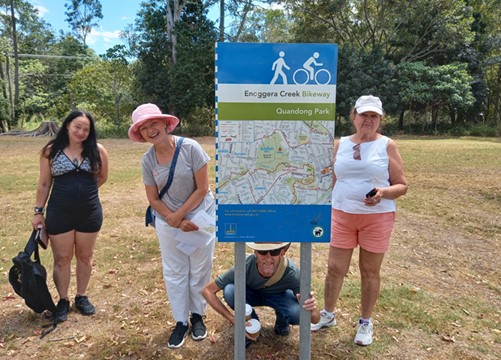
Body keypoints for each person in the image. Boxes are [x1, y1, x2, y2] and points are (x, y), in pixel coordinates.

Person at [311, 95, 408, 346]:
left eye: (374, 116)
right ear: (353, 116)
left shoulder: (387, 145)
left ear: (380, 120)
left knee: (369, 271)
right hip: (342, 214)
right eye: (364, 115)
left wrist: (383, 193)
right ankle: (328, 314)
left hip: (377, 217)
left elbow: (402, 185)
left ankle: (365, 322)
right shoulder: (340, 143)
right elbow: (333, 178)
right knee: (335, 269)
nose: (368, 120)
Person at [128, 103, 215, 349]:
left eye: (153, 123)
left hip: (201, 216)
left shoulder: (191, 148)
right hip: (168, 220)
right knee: (175, 271)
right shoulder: (148, 161)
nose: (150, 130)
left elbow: (203, 188)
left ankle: (197, 316)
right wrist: (174, 218)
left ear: (165, 124)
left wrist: (182, 216)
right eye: (144, 128)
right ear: (141, 135)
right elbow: (153, 198)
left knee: (200, 267)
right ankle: (180, 321)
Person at [32, 110, 109, 323]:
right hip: (59, 212)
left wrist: (84, 193)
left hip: (89, 212)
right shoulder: (51, 151)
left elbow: (102, 177)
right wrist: (38, 212)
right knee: (62, 258)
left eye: (86, 129)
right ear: (67, 126)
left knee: (85, 257)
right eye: (77, 126)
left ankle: (81, 297)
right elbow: (44, 183)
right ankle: (63, 300)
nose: (81, 132)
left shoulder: (98, 150)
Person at [202, 242, 320, 348]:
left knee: (297, 313)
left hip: (279, 296)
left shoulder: (292, 273)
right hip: (251, 294)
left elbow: (315, 320)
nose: (268, 258)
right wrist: (233, 319)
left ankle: (282, 321)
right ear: (255, 253)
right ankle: (250, 324)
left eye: (274, 251)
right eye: (263, 252)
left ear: (282, 252)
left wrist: (313, 309)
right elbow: (207, 291)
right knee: (230, 291)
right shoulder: (245, 265)